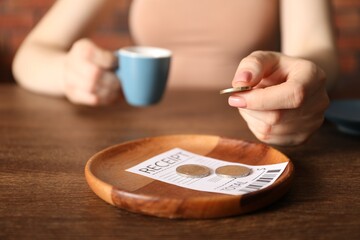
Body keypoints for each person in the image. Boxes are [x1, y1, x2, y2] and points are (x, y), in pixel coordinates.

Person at [12, 0, 338, 146]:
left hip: (248, 136)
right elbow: (30, 55)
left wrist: (305, 76)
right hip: (143, 138)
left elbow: (316, 46)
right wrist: (69, 73)